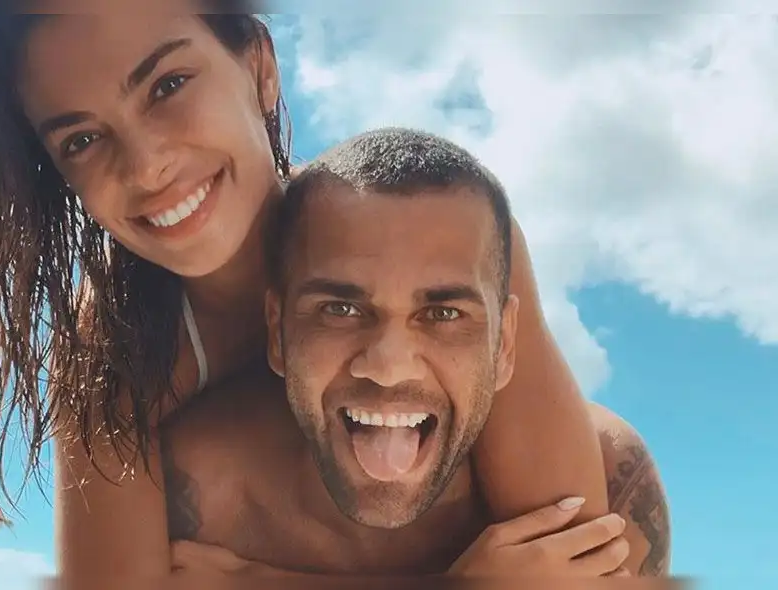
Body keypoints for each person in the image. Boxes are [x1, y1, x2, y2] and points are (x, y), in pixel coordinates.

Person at [0, 6, 613, 585]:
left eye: (168, 85)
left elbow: (579, 561)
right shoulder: (110, 356)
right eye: (82, 139)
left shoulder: (444, 231)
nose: (146, 166)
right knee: (213, 462)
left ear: (261, 68)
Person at [158, 128, 670, 578]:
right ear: (278, 331)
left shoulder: (611, 477)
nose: (388, 367)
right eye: (340, 309)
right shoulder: (188, 501)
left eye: (444, 314)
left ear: (505, 344)